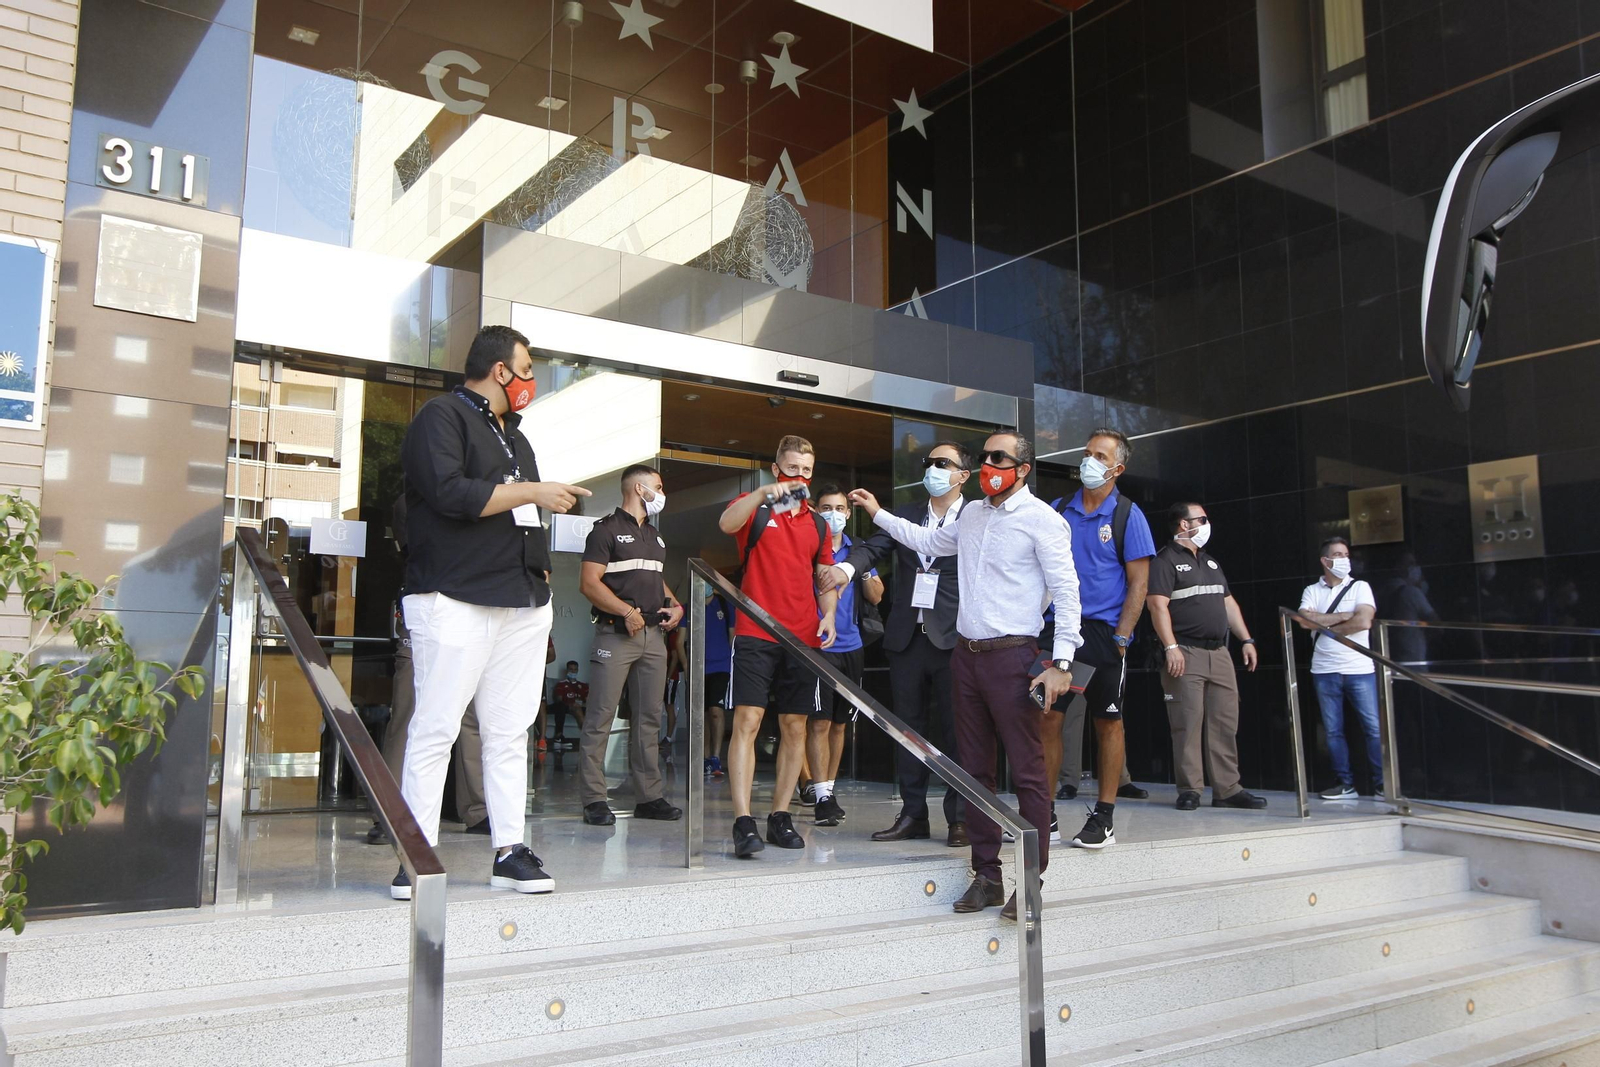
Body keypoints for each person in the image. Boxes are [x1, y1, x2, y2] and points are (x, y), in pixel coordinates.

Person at [391, 324, 590, 900]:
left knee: (508, 732)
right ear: (501, 369)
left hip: (521, 600)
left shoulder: (514, 436)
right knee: (435, 728)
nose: (532, 380)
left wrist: (542, 573)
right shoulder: (442, 416)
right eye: (527, 368)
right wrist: (533, 492)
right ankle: (416, 856)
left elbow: (517, 513)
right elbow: (450, 493)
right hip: (453, 596)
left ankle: (509, 849)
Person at [849, 432, 1082, 921]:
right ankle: (988, 876)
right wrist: (879, 515)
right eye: (983, 458)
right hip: (966, 656)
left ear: (1023, 468)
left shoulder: (1044, 520)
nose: (988, 465)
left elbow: (1066, 590)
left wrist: (1062, 663)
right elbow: (927, 540)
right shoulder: (972, 514)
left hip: (1015, 656)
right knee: (973, 772)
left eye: (999, 458)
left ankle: (1031, 883)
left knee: (1029, 774)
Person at [828, 441, 972, 848]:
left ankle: (960, 818)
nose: (933, 469)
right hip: (907, 639)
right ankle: (912, 814)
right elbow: (874, 548)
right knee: (907, 730)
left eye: (943, 464)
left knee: (957, 733)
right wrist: (845, 567)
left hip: (955, 640)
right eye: (929, 463)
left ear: (963, 475)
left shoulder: (976, 516)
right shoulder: (905, 515)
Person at [719, 435, 839, 858]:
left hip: (803, 637)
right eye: (792, 469)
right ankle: (743, 820)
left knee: (795, 727)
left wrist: (828, 614)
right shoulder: (758, 508)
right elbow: (726, 524)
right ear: (777, 469)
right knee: (747, 721)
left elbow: (824, 577)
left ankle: (780, 816)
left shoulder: (819, 524)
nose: (800, 477)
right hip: (755, 630)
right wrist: (765, 494)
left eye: (807, 470)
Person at [1045, 428, 1156, 850]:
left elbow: (1139, 583)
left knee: (1107, 721)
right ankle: (1045, 811)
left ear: (1117, 467)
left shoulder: (1128, 515)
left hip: (1103, 634)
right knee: (1046, 716)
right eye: (1087, 452)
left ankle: (1104, 818)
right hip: (1059, 631)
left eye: (1100, 455)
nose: (1089, 461)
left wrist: (1122, 638)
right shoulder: (1058, 510)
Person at [576, 464, 685, 825]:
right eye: (658, 485)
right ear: (639, 489)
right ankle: (594, 799)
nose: (661, 492)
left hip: (653, 636)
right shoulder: (604, 530)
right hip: (616, 634)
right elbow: (590, 583)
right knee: (601, 718)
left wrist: (674, 603)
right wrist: (625, 611)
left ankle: (649, 797)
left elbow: (655, 578)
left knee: (649, 719)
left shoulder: (654, 535)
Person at [1146, 502, 1266, 812]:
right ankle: (1190, 789)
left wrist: (1247, 639)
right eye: (1201, 519)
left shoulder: (1211, 562)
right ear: (1184, 525)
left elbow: (1229, 604)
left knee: (1225, 722)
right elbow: (1157, 607)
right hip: (1185, 652)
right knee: (1187, 722)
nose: (1207, 523)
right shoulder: (1164, 560)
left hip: (1219, 652)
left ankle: (1227, 789)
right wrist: (1171, 647)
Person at [808, 485, 883, 826]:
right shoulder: (808, 548)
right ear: (815, 509)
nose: (833, 514)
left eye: (840, 508)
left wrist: (863, 567)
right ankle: (821, 794)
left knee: (840, 724)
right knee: (819, 721)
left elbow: (877, 596)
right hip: (817, 645)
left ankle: (829, 788)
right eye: (826, 507)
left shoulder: (859, 549)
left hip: (852, 646)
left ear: (849, 513)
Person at [1295, 536, 1382, 800]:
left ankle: (1382, 784)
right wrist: (1344, 616)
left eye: (1346, 554)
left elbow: (1364, 621)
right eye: (1338, 554)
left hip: (1359, 668)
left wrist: (1326, 626)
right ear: (1325, 560)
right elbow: (1304, 622)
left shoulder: (1361, 587)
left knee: (1373, 727)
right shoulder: (1312, 590)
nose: (1344, 559)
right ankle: (1345, 783)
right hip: (1324, 669)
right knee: (1333, 730)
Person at [701, 587, 733, 777]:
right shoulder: (689, 607)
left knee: (715, 711)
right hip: (699, 667)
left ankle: (715, 756)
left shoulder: (725, 606)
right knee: (701, 715)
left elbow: (733, 635)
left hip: (721, 666)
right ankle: (704, 757)